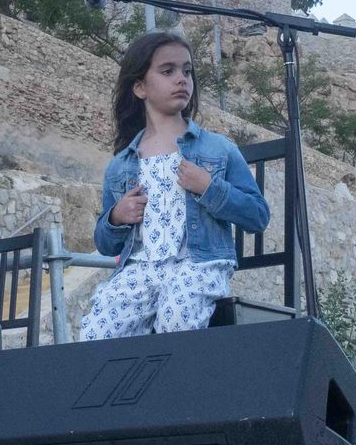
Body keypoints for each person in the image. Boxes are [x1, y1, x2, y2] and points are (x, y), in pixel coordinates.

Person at [80, 31, 270, 338]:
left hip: (198, 264)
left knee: (176, 319)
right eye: (167, 71)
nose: (181, 79)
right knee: (96, 333)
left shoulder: (217, 149)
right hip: (141, 269)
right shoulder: (122, 165)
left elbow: (258, 216)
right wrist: (117, 216)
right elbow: (105, 244)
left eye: (187, 71)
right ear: (139, 87)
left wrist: (210, 187)